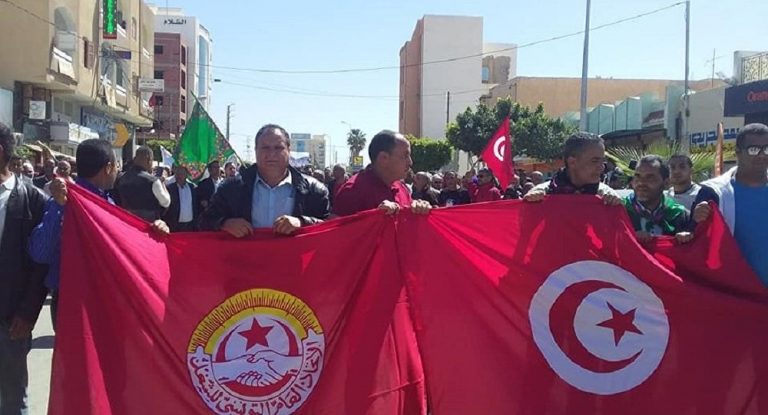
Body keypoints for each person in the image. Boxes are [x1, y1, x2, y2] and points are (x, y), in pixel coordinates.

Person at [29, 139, 170, 328]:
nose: (118, 170)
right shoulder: (64, 201)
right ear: (108, 167)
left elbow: (124, 242)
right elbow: (40, 252)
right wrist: (59, 208)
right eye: (116, 165)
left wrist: (154, 231)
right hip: (74, 300)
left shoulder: (108, 202)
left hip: (107, 296)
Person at [199, 124, 330, 236]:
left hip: (293, 258)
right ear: (256, 150)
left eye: (278, 148)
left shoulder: (315, 190)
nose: (271, 154)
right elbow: (203, 222)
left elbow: (330, 230)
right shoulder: (230, 188)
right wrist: (224, 223)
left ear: (288, 151)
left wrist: (302, 222)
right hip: (244, 257)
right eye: (265, 148)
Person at [0, 123, 49, 415]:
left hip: (10, 320)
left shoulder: (33, 200)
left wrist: (28, 313)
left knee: (12, 398)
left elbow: (39, 265)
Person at [692, 123, 768, 285]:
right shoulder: (713, 193)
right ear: (738, 152)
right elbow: (693, 239)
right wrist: (696, 221)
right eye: (754, 149)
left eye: (767, 149)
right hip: (733, 292)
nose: (762, 155)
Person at [333, 130, 431, 216]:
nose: (410, 162)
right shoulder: (352, 192)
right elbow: (339, 229)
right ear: (383, 158)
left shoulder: (401, 188)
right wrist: (376, 216)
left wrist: (420, 208)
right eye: (405, 156)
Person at [525, 132, 621, 205]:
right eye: (594, 161)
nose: (602, 167)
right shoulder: (541, 193)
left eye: (603, 161)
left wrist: (613, 201)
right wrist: (532, 201)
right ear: (572, 162)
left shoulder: (607, 196)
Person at [623, 155, 691, 243]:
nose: (641, 183)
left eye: (650, 177)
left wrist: (687, 239)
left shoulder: (680, 216)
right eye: (637, 176)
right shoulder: (621, 211)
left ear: (666, 183)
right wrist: (629, 238)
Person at [116, 146, 171, 222]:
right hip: (147, 224)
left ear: (135, 159)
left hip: (126, 222)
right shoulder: (153, 181)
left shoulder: (120, 178)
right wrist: (163, 184)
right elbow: (166, 202)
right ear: (149, 160)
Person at [163, 165, 199, 232]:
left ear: (186, 175)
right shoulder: (170, 188)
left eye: (182, 173)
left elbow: (195, 205)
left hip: (190, 225)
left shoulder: (193, 188)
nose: (179, 176)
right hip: (175, 225)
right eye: (177, 173)